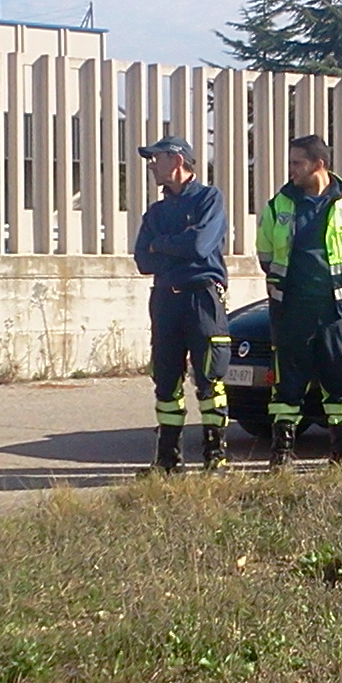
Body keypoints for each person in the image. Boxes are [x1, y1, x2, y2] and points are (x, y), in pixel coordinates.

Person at [256, 134, 342, 469]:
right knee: (287, 383)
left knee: (340, 378)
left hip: (338, 309)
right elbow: (265, 252)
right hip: (291, 308)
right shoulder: (280, 203)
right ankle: (282, 453)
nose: (291, 169)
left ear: (318, 164)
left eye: (298, 163)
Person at [132, 135, 230, 472]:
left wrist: (163, 246)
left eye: (156, 159)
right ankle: (168, 459)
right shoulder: (156, 211)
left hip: (201, 298)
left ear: (176, 161)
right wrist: (175, 247)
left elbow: (201, 245)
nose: (152, 166)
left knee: (209, 378)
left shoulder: (209, 199)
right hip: (164, 299)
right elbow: (143, 259)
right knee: (166, 378)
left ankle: (214, 456)